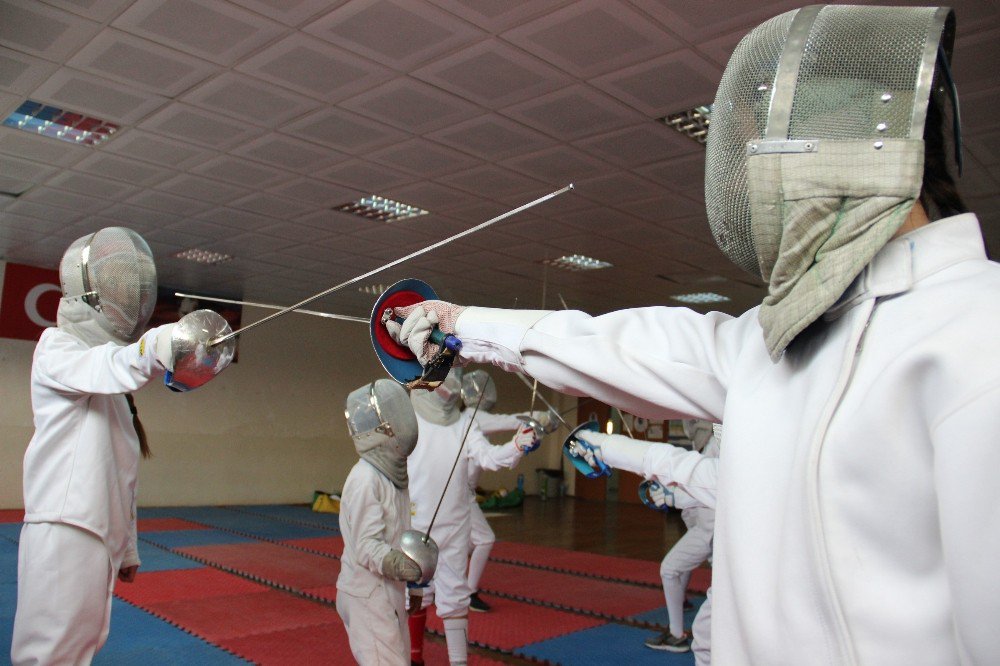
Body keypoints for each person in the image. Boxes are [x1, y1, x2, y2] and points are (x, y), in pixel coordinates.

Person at [384, 6, 999, 664]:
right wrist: (462, 324)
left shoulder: (977, 337)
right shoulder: (777, 341)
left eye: (777, 154)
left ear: (857, 154)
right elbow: (627, 344)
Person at [11, 227, 230, 664]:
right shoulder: (58, 349)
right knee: (49, 655)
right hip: (64, 528)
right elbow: (111, 365)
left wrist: (125, 546)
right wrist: (159, 344)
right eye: (116, 288)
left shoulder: (113, 389)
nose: (128, 298)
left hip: (94, 535)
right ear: (88, 291)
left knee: (81, 648)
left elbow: (119, 474)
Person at [406, 371, 539, 666]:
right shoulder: (409, 417)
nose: (448, 387)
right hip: (414, 524)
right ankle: (413, 657)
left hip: (454, 526)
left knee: (455, 598)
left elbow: (488, 458)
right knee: (414, 593)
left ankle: (458, 663)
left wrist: (517, 446)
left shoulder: (465, 422)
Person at [569, 422, 721, 657]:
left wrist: (602, 445)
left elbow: (709, 480)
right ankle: (681, 608)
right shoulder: (711, 443)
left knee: (674, 573)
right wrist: (673, 496)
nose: (692, 424)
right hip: (715, 533)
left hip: (714, 532)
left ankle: (677, 634)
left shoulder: (722, 441)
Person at [336, 379, 426, 665]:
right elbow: (366, 546)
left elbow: (402, 535)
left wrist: (414, 586)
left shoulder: (394, 476)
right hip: (366, 594)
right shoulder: (365, 479)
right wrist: (403, 567)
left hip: (390, 589)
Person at [459, 369, 548, 612]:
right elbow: (507, 421)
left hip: (462, 493)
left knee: (465, 542)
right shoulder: (472, 417)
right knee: (484, 539)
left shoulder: (469, 418)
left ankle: (444, 584)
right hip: (459, 495)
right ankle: (468, 593)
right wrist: (540, 416)